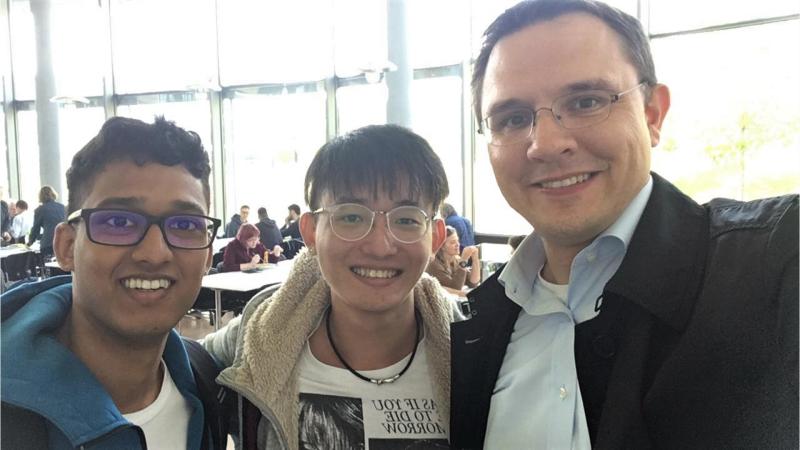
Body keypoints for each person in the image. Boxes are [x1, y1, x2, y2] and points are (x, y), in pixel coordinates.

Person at [450, 1, 799, 449]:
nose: (547, 144)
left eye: (586, 102)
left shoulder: (775, 266)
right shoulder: (476, 328)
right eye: (513, 119)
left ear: (652, 114)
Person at [203, 124, 463, 449]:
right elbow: (167, 367)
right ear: (310, 232)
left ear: (435, 237)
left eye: (406, 219)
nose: (380, 246)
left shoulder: (474, 350)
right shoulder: (255, 340)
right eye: (351, 217)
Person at [1, 116, 227, 449]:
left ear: (207, 256)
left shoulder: (206, 387)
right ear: (66, 247)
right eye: (119, 222)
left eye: (184, 225)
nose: (154, 253)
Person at [426, 226, 480, 297]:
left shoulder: (456, 259)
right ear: (442, 246)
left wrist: (475, 259)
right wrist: (463, 260)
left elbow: (473, 283)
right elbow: (455, 288)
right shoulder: (433, 264)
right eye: (453, 242)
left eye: (458, 241)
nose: (458, 244)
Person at [27, 185, 66, 258]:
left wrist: (30, 242)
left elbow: (36, 229)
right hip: (63, 242)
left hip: (48, 243)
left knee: (48, 263)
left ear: (40, 197)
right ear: (53, 194)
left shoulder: (40, 210)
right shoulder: (62, 207)